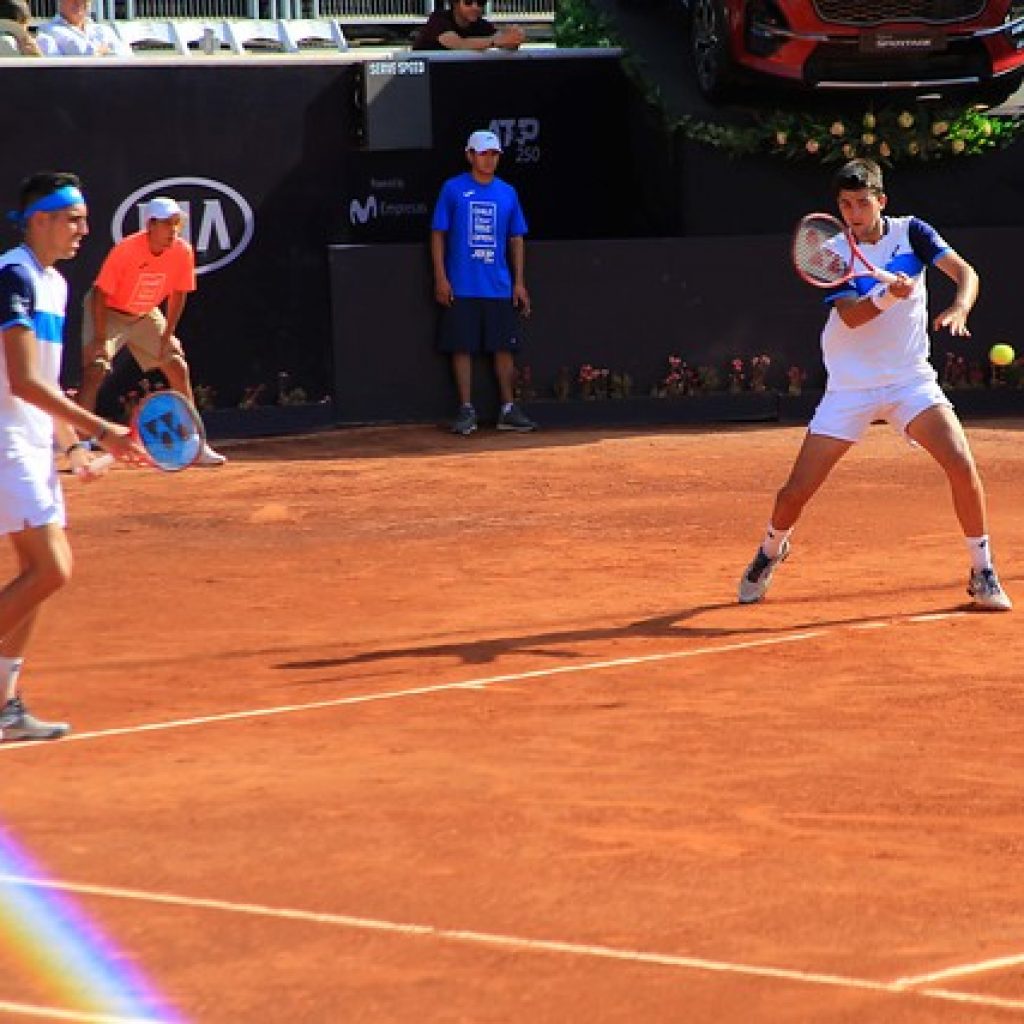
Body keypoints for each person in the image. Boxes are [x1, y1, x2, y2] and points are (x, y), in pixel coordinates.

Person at [738, 157, 1011, 612]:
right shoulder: (832, 253)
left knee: (961, 464)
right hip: (850, 388)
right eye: (845, 205)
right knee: (795, 492)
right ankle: (770, 551)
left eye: (862, 203)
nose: (854, 213)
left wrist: (960, 306)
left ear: (881, 201)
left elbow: (966, 273)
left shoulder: (914, 233)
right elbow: (853, 316)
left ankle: (982, 570)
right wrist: (888, 294)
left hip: (910, 381)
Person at [0, 171, 144, 742]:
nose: (85, 228)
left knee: (35, 575)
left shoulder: (53, 284)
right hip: (4, 439)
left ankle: (6, 708)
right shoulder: (12, 274)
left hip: (32, 442)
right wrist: (104, 429)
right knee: (51, 569)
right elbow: (24, 382)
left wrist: (74, 445)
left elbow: (49, 387)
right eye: (74, 217)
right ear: (40, 219)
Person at [76, 196, 226, 466]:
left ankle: (194, 443)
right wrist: (100, 339)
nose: (173, 230)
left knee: (176, 365)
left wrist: (168, 336)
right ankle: (81, 443)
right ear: (151, 225)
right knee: (95, 368)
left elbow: (178, 294)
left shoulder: (182, 251)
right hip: (108, 312)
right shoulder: (126, 250)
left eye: (176, 223)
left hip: (145, 313)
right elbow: (100, 294)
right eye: (167, 223)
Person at [430, 129, 536, 435]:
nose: (488, 160)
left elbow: (516, 239)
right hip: (461, 285)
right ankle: (466, 410)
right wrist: (441, 277)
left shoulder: (508, 192)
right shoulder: (452, 189)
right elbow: (438, 233)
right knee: (461, 347)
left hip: (498, 286)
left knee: (504, 348)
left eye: (493, 154)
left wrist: (519, 282)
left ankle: (508, 409)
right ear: (469, 155)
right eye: (482, 153)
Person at [412, 0, 525, 52]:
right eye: (468, 2)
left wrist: (514, 38)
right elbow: (459, 44)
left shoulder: (481, 25)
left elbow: (506, 43)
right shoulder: (438, 19)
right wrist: (496, 42)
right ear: (455, 3)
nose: (475, 7)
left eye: (480, 2)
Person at [36, 0, 130, 56]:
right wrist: (102, 52)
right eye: (73, 0)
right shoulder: (49, 30)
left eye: (84, 0)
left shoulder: (103, 29)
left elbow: (126, 55)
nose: (79, 3)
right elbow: (80, 53)